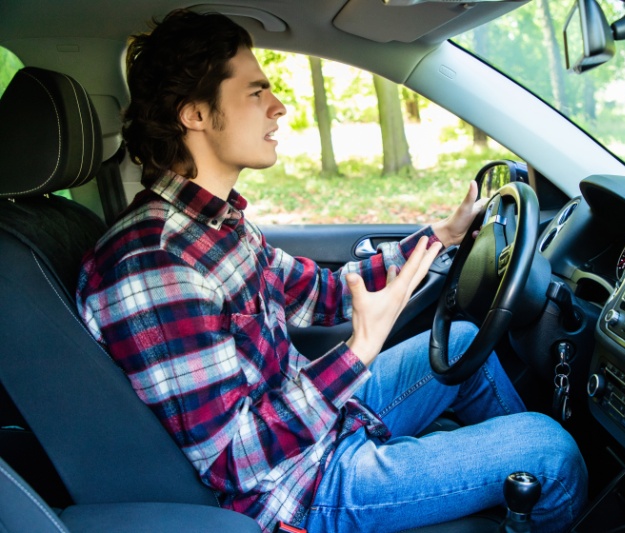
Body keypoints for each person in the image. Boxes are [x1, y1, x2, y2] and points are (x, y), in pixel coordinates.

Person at [76, 8, 587, 533]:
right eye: (255, 93)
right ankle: (522, 482)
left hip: (320, 427)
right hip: (299, 489)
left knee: (460, 344)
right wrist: (359, 350)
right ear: (195, 115)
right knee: (549, 452)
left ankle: (503, 494)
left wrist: (441, 238)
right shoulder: (155, 264)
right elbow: (231, 461)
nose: (278, 106)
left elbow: (321, 293)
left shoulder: (214, 224)